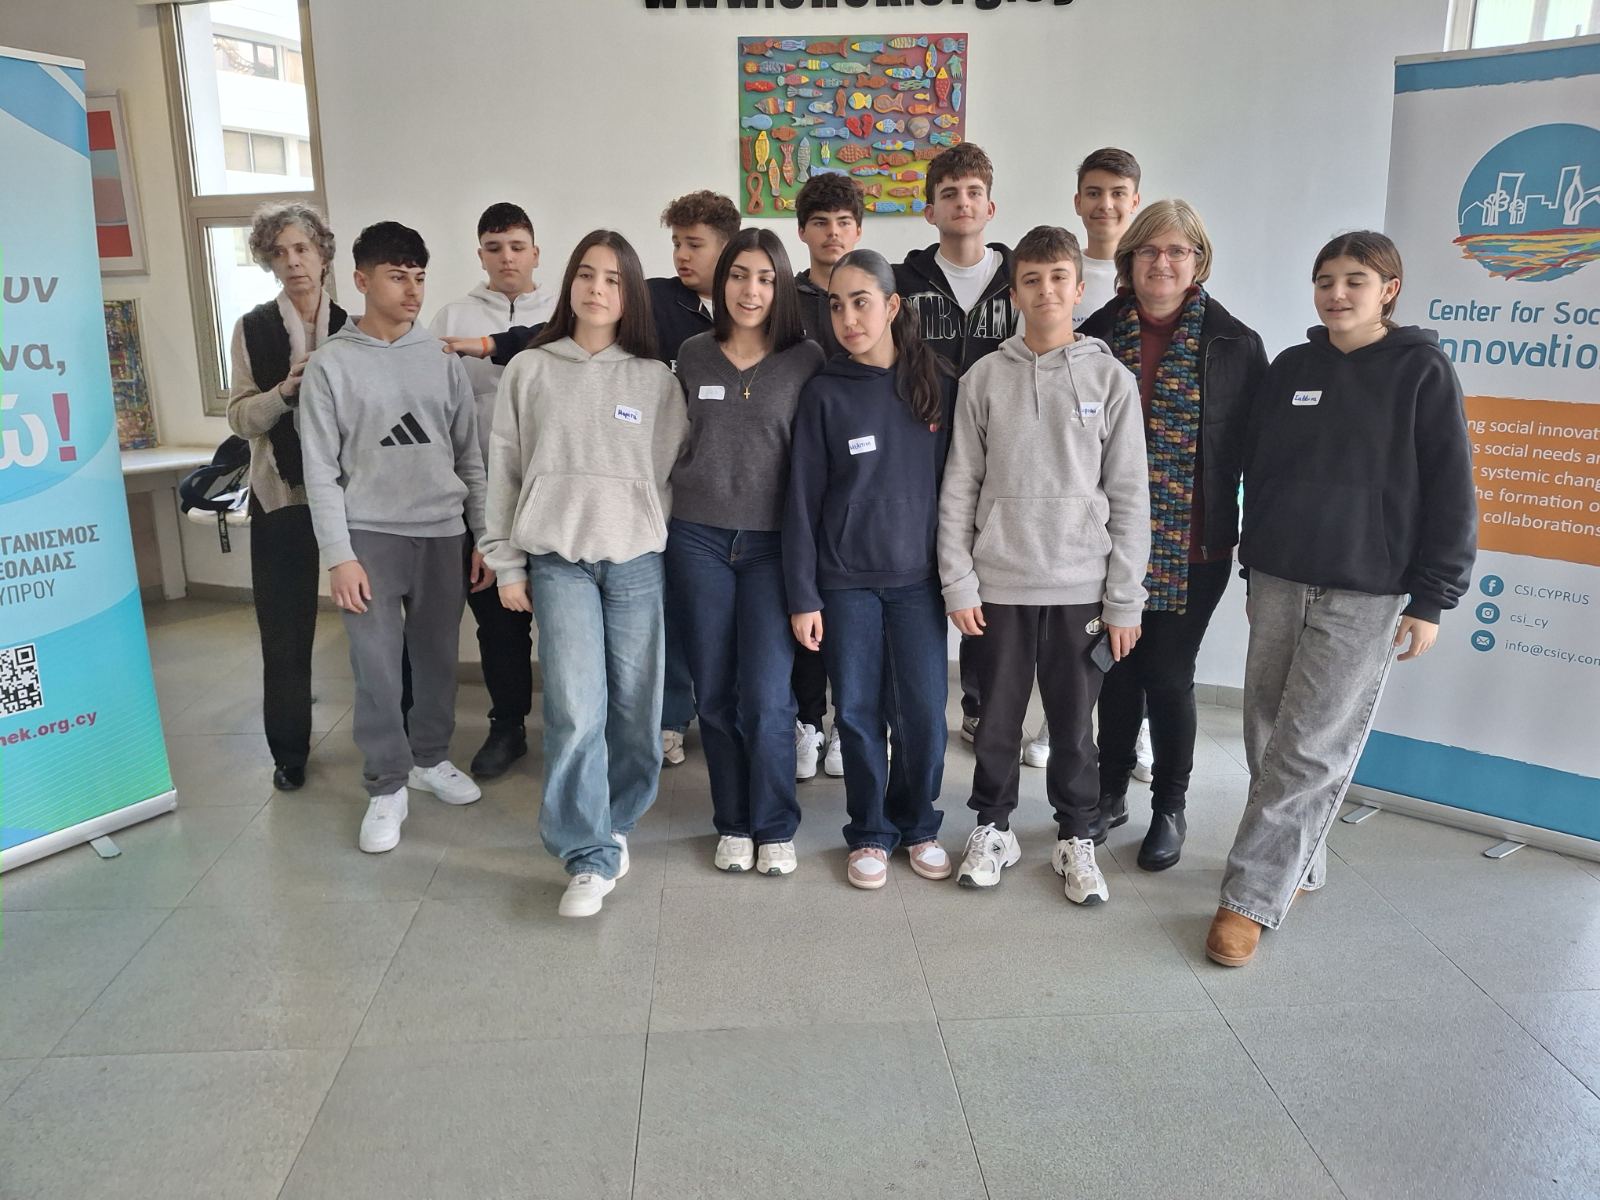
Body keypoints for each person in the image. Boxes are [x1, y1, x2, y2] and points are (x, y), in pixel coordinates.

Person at [1207, 231, 1476, 966]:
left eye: (1355, 279)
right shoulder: (1292, 368)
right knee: (1267, 732)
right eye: (1325, 279)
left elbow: (1451, 488)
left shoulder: (1421, 371)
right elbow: (1260, 473)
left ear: (1389, 289)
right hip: (1279, 578)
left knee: (1310, 745)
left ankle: (1248, 899)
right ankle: (1298, 863)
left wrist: (1433, 598)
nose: (1337, 293)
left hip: (1368, 588)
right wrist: (1252, 571)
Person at [937, 225, 1150, 905]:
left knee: (1073, 726)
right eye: (1031, 279)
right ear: (1014, 292)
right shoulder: (983, 379)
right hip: (999, 583)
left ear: (1079, 288)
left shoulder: (1110, 379)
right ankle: (993, 827)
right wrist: (958, 580)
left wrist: (1124, 600)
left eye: (1059, 278)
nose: (1046, 290)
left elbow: (1129, 495)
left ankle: (1075, 836)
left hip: (1080, 583)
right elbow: (959, 486)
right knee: (996, 722)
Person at [480, 230, 687, 918]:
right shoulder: (530, 370)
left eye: (614, 279)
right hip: (557, 562)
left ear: (630, 295)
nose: (598, 289)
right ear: (569, 283)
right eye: (587, 275)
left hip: (635, 563)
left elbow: (667, 474)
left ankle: (616, 820)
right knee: (573, 707)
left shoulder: (656, 380)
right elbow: (505, 470)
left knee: (635, 709)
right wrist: (506, 562)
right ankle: (586, 854)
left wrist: (642, 523)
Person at [1078, 199, 1268, 871]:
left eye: (1177, 251)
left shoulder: (1235, 344)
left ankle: (1169, 806)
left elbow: (1258, 459)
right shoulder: (1096, 334)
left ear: (1198, 261)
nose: (1162, 262)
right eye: (1149, 250)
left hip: (1196, 543)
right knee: (1116, 670)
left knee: (1165, 672)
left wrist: (1256, 563)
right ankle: (1108, 792)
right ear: (1128, 259)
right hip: (1106, 540)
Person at [300, 221, 488, 853]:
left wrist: (484, 538)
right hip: (369, 537)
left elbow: (470, 460)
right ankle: (386, 785)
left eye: (419, 278)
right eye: (397, 277)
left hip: (442, 533)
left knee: (437, 659)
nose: (412, 291)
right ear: (361, 280)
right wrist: (339, 556)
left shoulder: (442, 359)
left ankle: (430, 759)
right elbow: (320, 471)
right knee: (376, 668)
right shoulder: (331, 365)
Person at [785, 249, 957, 889]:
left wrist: (959, 581)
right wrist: (803, 594)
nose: (849, 318)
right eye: (836, 305)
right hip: (845, 582)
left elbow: (958, 490)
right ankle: (869, 831)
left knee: (923, 714)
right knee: (856, 713)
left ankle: (918, 823)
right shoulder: (824, 393)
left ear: (892, 306)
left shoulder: (937, 383)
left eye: (862, 302)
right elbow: (801, 500)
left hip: (918, 583)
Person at [668, 229, 825, 875]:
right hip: (697, 538)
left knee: (766, 696)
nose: (751, 290)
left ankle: (775, 824)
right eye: (739, 275)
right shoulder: (693, 354)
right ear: (721, 281)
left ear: (781, 285)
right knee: (714, 692)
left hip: (772, 547)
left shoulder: (805, 359)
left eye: (764, 277)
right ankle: (733, 821)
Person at [894, 142, 1021, 750]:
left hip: (1000, 459)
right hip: (920, 455)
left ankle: (979, 704)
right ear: (930, 211)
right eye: (949, 194)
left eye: (973, 193)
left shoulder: (1020, 280)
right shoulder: (901, 284)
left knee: (987, 584)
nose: (962, 203)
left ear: (991, 207)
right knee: (920, 580)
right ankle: (905, 704)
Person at [427, 202, 556, 779]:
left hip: (553, 499)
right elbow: (437, 417)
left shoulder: (562, 311)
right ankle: (508, 727)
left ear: (536, 253)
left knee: (565, 622)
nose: (507, 258)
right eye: (494, 248)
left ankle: (574, 727)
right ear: (480, 254)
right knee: (500, 623)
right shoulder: (451, 318)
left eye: (517, 247)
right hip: (483, 502)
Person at [226, 201, 346, 794]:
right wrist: (283, 392)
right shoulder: (251, 327)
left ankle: (395, 735)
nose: (293, 262)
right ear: (268, 262)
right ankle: (289, 752)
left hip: (350, 496)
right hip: (280, 493)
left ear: (323, 254)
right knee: (284, 631)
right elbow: (239, 417)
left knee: (375, 622)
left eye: (302, 248)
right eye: (280, 252)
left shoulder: (352, 324)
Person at [791, 173, 866, 779]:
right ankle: (807, 721)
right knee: (803, 604)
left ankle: (848, 722)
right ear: (803, 232)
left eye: (843, 222)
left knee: (852, 616)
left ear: (858, 230)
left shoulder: (873, 291)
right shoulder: (785, 300)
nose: (832, 233)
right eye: (820, 222)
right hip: (798, 464)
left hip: (860, 473)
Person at [1072, 147, 1142, 328]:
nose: (1105, 205)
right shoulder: (1056, 275)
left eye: (1118, 193)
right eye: (1094, 194)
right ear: (1078, 203)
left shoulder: (1151, 274)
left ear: (1134, 202)